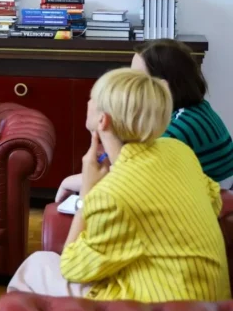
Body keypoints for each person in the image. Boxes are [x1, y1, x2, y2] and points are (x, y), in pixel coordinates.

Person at [0, 68, 231, 311]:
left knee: (32, 269)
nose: (87, 101)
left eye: (91, 98)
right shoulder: (178, 151)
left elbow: (72, 266)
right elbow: (214, 201)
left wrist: (89, 191)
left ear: (103, 120)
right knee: (39, 266)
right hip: (209, 300)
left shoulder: (115, 191)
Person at [56, 39, 233, 202]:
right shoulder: (195, 109)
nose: (127, 86)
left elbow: (130, 178)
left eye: (136, 79)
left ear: (162, 87)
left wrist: (69, 181)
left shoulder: (177, 129)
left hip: (206, 202)